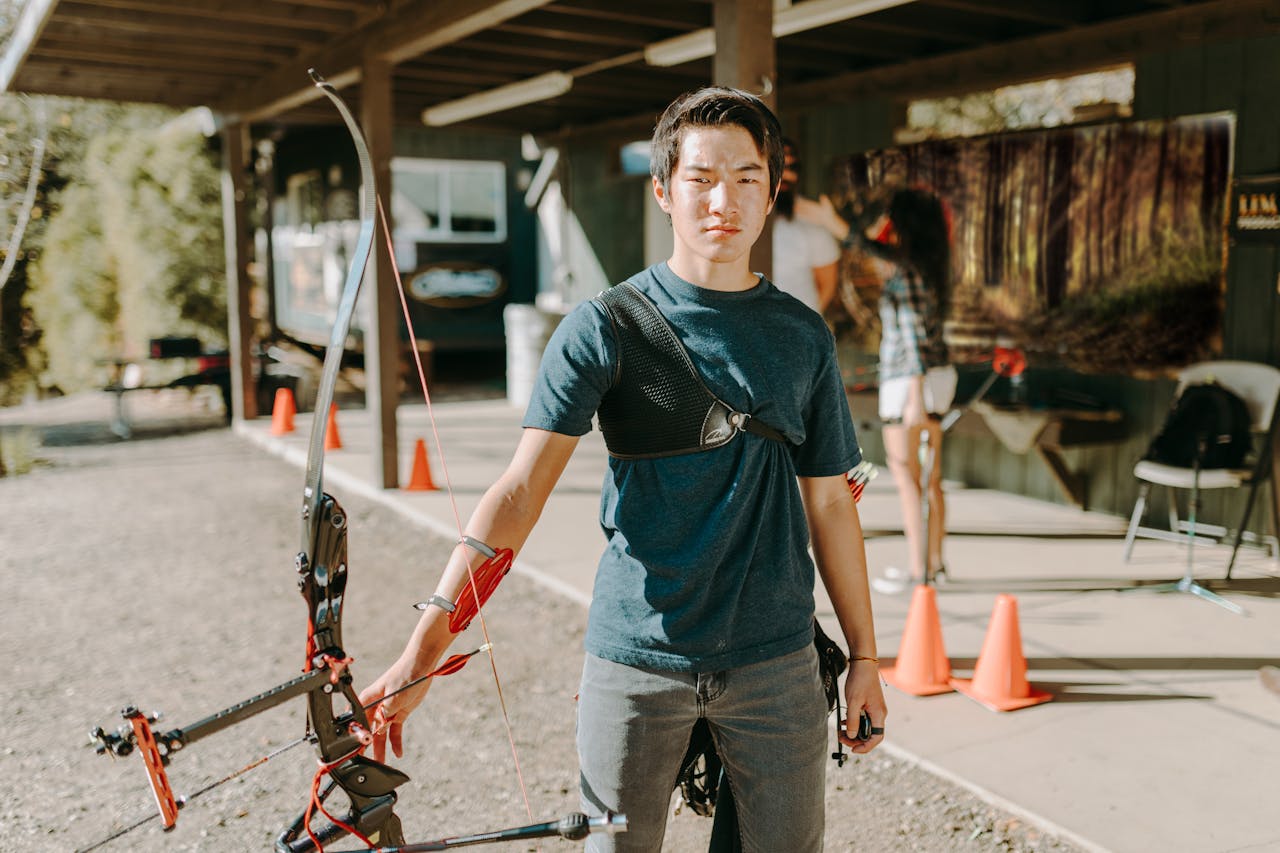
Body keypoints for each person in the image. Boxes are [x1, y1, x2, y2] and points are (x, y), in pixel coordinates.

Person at [359, 87, 886, 852]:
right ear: (664, 189)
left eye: (746, 178)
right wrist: (424, 648)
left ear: (772, 193)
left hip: (776, 659)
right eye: (701, 177)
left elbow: (833, 504)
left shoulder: (802, 336)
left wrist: (866, 657)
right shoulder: (602, 327)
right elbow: (516, 493)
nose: (723, 200)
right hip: (636, 659)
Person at [798, 188, 956, 593]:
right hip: (934, 378)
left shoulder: (907, 272)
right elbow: (871, 249)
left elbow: (912, 335)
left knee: (908, 478)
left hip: (911, 381)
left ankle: (917, 571)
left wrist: (915, 396)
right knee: (930, 479)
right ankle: (933, 565)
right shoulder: (931, 265)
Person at [769, 139, 841, 314]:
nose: (786, 175)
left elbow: (827, 285)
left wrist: (806, 322)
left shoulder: (812, 220)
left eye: (792, 168)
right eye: (779, 167)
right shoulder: (741, 218)